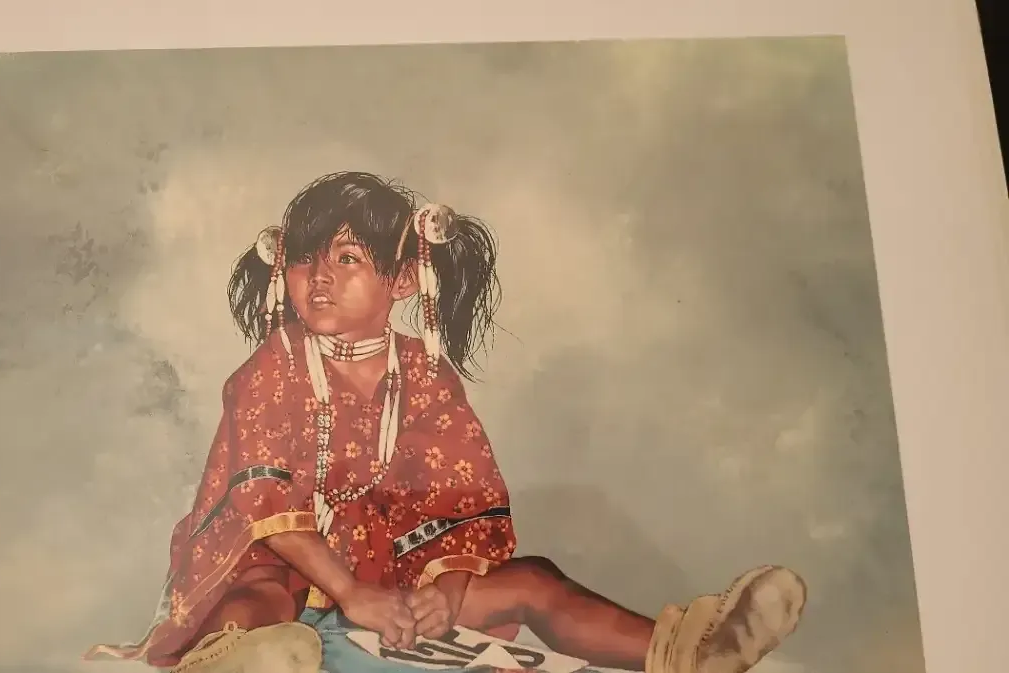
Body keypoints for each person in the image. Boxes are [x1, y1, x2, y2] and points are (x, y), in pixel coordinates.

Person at [85, 172, 807, 673]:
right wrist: (352, 594)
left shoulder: (425, 375)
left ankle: (687, 654)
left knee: (534, 581)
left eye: (346, 258)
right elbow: (266, 505)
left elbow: (461, 500)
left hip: (389, 575)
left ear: (403, 280)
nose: (320, 277)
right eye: (304, 261)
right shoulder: (273, 367)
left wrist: (444, 591)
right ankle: (238, 660)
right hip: (283, 565)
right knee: (260, 600)